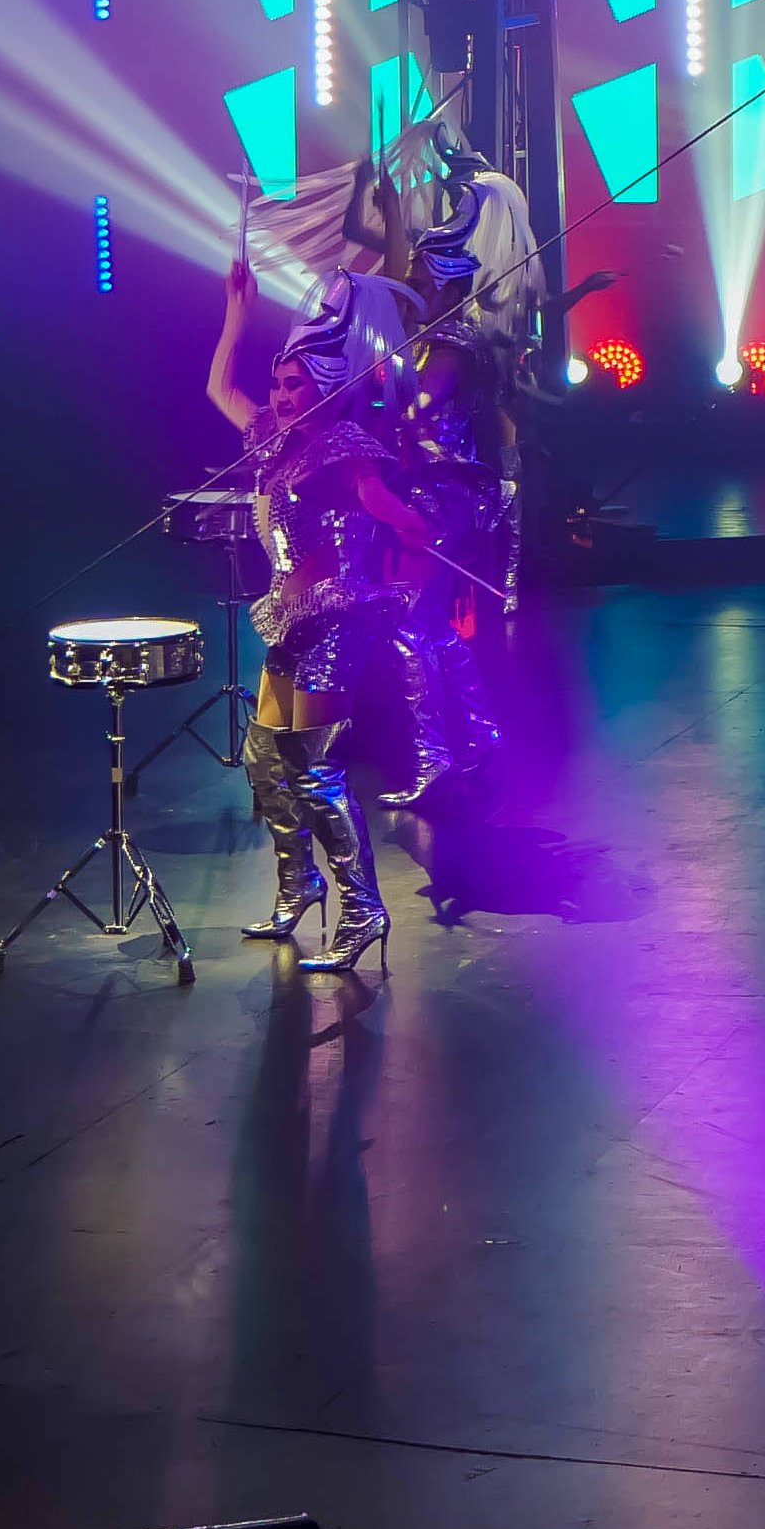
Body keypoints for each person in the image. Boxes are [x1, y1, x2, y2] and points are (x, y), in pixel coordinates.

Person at [204, 158, 445, 972]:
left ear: (323, 390)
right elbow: (219, 391)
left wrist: (406, 589)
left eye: (292, 381)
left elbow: (405, 521)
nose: (275, 393)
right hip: (285, 616)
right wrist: (236, 317)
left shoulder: (344, 449)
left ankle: (364, 913)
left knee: (314, 772)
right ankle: (297, 887)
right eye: (274, 381)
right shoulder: (272, 442)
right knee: (263, 764)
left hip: (337, 617)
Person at [378, 162, 537, 820]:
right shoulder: (433, 336)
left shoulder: (449, 345)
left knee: (412, 629)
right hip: (438, 496)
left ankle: (433, 760)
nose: (409, 290)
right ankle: (480, 737)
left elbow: (416, 409)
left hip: (443, 500)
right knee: (435, 627)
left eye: (418, 282)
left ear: (443, 287)